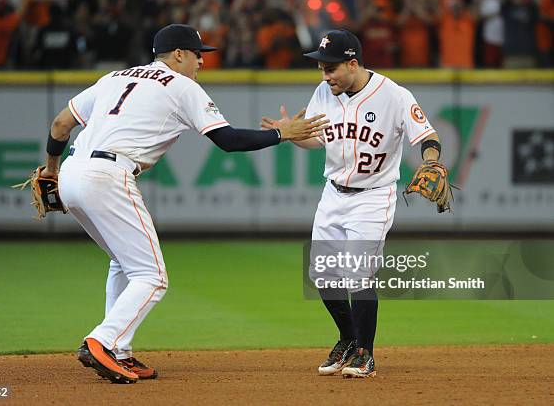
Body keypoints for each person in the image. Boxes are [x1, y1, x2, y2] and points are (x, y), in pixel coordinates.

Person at [39, 24, 328, 384]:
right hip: (108, 175)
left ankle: (120, 350)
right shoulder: (181, 86)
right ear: (178, 54)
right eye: (197, 54)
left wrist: (51, 171)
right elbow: (228, 140)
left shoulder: (114, 77)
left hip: (72, 171)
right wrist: (282, 134)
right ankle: (101, 341)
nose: (201, 62)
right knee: (152, 276)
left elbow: (60, 124)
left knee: (124, 262)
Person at [262, 29, 443, 378]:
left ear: (353, 63)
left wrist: (431, 161)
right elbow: (315, 139)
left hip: (374, 196)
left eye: (331, 68)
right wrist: (291, 134)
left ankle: (365, 353)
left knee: (358, 272)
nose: (324, 75)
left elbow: (427, 135)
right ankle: (347, 338)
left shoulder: (394, 95)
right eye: (321, 68)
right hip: (333, 193)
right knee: (323, 274)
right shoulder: (324, 92)